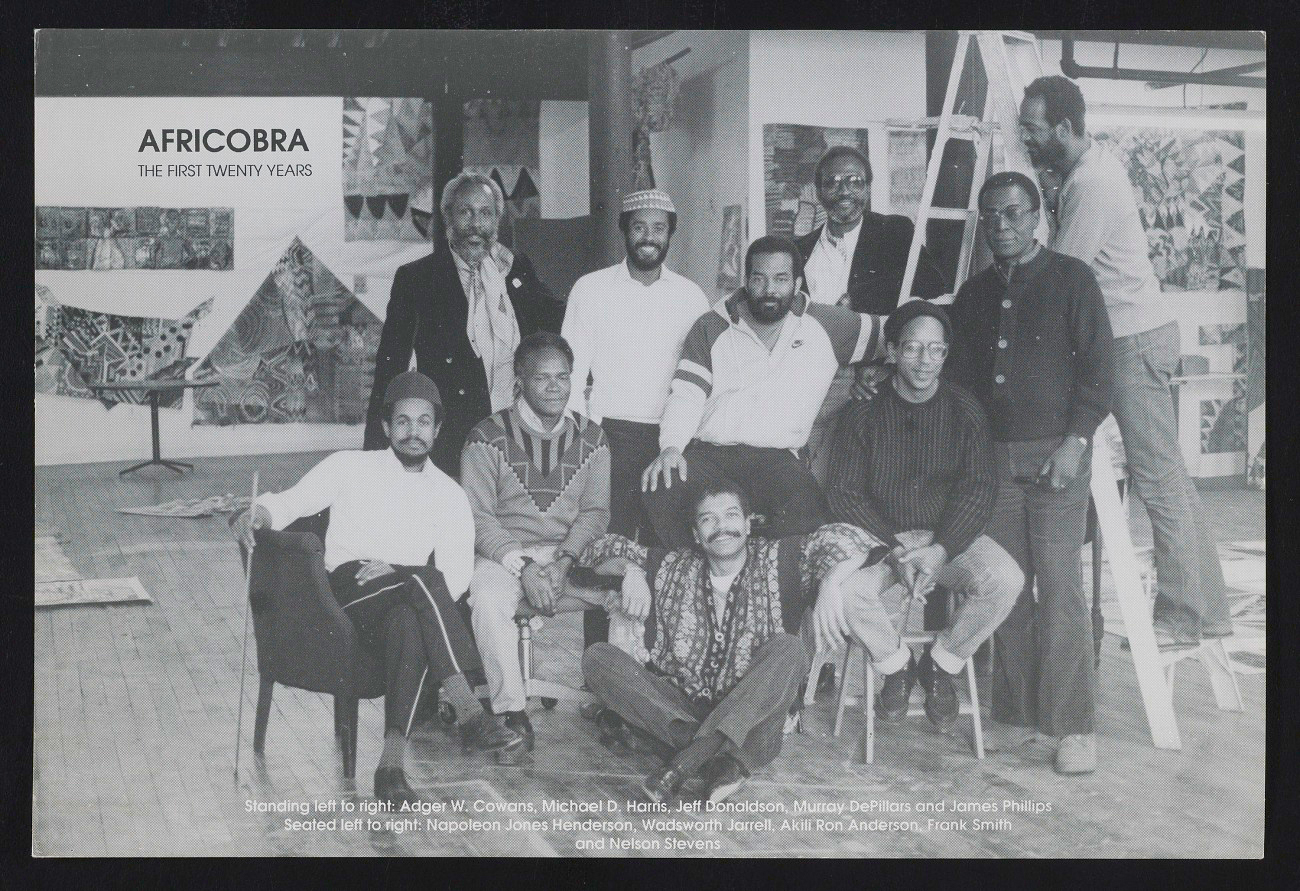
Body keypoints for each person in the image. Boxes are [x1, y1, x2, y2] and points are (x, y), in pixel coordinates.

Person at [231, 371, 525, 807]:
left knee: (413, 619)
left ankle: (390, 771)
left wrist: (400, 571)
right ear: (387, 427)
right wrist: (258, 512)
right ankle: (468, 708)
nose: (413, 432)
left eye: (423, 422)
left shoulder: (448, 494)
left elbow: (456, 576)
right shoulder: (351, 465)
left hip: (404, 600)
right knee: (423, 582)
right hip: (343, 595)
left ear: (437, 429)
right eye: (402, 422)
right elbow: (292, 501)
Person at [1020, 75, 1233, 649]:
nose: (1026, 138)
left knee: (1159, 479)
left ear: (1065, 127)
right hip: (1133, 334)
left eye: (1034, 131)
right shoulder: (1088, 169)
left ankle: (1185, 616)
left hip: (1132, 339)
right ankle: (1205, 610)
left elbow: (1064, 271)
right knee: (1169, 477)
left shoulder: (1091, 183)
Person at [945, 171, 1113, 775]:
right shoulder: (973, 295)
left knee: (1060, 585)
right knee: (1007, 584)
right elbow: (960, 384)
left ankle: (1073, 727)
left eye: (1014, 214)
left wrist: (1075, 442)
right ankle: (1018, 713)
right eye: (991, 216)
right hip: (993, 458)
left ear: (1037, 216)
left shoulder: (1073, 280)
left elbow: (1099, 372)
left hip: (1056, 455)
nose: (1002, 226)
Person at [580, 483, 878, 804]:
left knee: (790, 649)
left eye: (731, 515)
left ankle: (684, 764)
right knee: (598, 657)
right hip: (682, 709)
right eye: (709, 520)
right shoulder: (673, 566)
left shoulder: (782, 560)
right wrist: (633, 572)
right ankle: (720, 760)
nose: (721, 527)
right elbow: (597, 549)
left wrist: (831, 581)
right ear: (696, 533)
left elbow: (852, 538)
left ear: (748, 523)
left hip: (756, 718)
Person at [824, 301, 1022, 729]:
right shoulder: (865, 409)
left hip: (944, 539)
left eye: (935, 350)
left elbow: (979, 488)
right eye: (912, 348)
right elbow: (844, 492)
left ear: (946, 354)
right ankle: (895, 666)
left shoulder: (963, 409)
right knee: (846, 590)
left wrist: (941, 549)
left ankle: (942, 664)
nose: (924, 361)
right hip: (879, 541)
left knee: (1006, 578)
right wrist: (895, 547)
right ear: (892, 351)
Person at [641, 234, 886, 550]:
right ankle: (696, 582)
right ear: (746, 280)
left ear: (797, 283)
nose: (770, 289)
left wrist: (879, 369)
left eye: (781, 279)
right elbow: (687, 393)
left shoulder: (828, 324)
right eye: (759, 278)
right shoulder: (711, 325)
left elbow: (900, 332)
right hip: (710, 453)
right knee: (663, 486)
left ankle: (771, 590)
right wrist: (672, 447)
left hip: (778, 460)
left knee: (807, 517)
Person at [461, 332, 640, 752]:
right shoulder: (485, 437)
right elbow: (478, 517)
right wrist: (523, 567)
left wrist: (562, 562)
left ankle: (623, 708)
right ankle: (511, 711)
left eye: (563, 377)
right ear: (519, 378)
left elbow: (596, 512)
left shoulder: (593, 438)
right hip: (504, 554)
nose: (555, 387)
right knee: (487, 599)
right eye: (543, 378)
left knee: (631, 586)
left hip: (569, 555)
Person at [562, 188, 710, 648]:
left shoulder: (691, 297)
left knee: (667, 548)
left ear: (671, 235)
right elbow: (573, 369)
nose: (650, 237)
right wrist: (577, 439)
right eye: (640, 227)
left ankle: (659, 656)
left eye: (659, 228)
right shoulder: (590, 288)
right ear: (624, 231)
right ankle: (599, 664)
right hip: (608, 437)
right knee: (607, 549)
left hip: (671, 442)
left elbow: (700, 375)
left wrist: (680, 441)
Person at [363, 171, 561, 476]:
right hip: (454, 444)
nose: (476, 224)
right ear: (448, 219)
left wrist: (514, 279)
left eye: (485, 213)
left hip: (517, 433)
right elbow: (390, 367)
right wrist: (375, 458)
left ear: (497, 220)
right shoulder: (417, 278)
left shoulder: (515, 269)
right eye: (465, 212)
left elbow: (553, 321)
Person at [796, 145, 948, 485]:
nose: (845, 191)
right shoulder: (798, 250)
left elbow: (931, 286)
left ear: (868, 187)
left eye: (855, 181)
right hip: (811, 381)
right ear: (818, 191)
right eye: (833, 182)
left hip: (870, 379)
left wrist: (882, 359)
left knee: (866, 478)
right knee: (810, 477)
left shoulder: (892, 232)